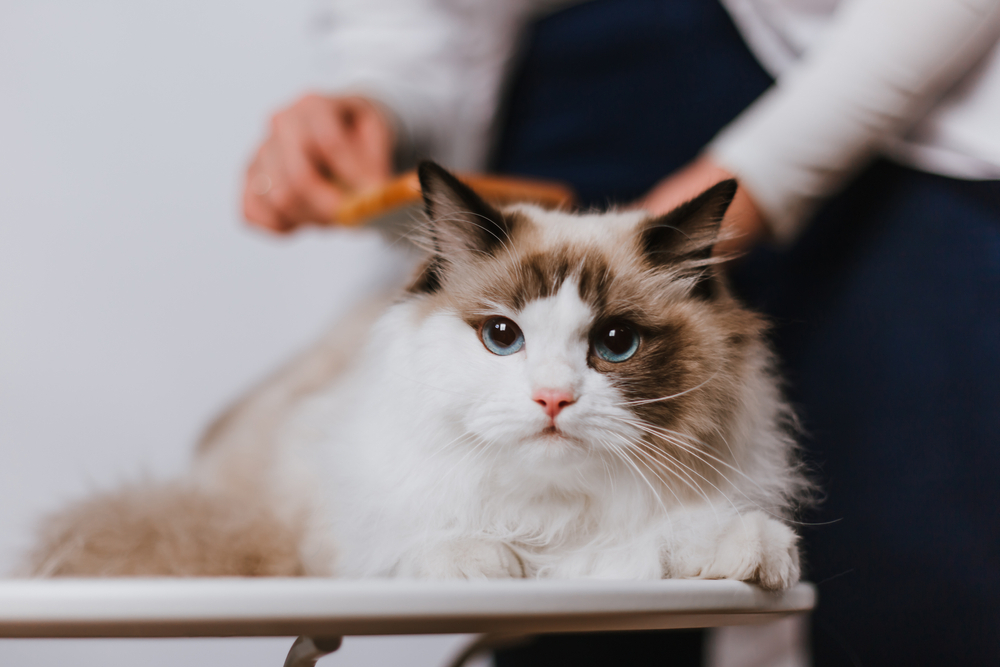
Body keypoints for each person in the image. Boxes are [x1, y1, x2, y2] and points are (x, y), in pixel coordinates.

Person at [241, 1, 1000, 664]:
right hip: (572, 68)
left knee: (920, 570)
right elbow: (419, 18)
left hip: (919, 83)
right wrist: (383, 99)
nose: (552, 391)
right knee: (562, 619)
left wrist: (762, 173)